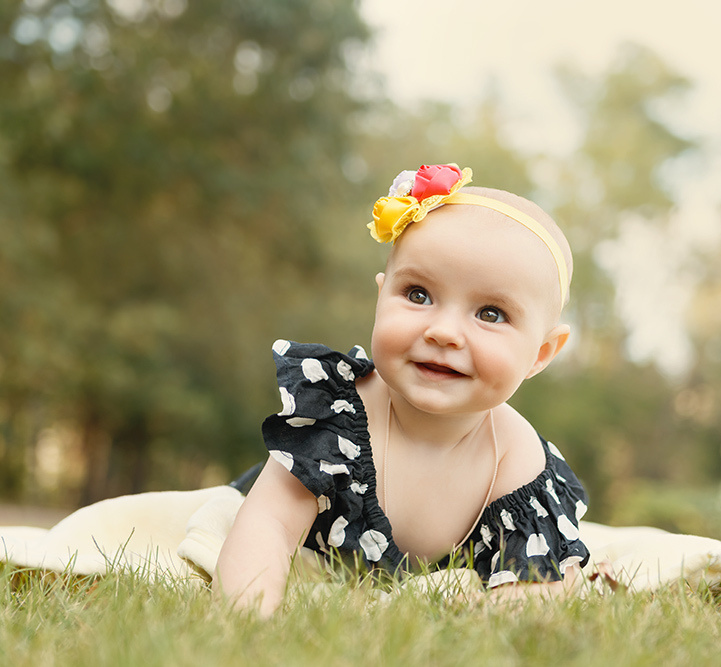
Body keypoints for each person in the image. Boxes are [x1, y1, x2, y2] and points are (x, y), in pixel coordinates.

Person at [214, 164, 594, 615]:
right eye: (418, 295)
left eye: (490, 314)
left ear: (541, 353)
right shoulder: (337, 414)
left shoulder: (519, 460)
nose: (444, 332)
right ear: (381, 298)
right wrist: (250, 621)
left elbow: (537, 587)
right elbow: (269, 525)